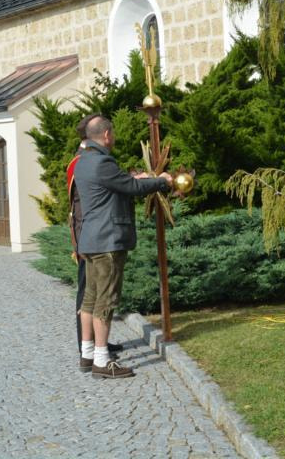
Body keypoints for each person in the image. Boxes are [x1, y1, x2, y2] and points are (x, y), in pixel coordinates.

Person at [75, 115, 172, 378]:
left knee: (90, 299)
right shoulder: (103, 162)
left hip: (91, 240)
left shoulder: (83, 161)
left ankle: (87, 354)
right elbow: (131, 187)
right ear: (107, 135)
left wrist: (135, 178)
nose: (114, 137)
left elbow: (116, 185)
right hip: (108, 240)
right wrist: (163, 180)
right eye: (113, 133)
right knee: (105, 301)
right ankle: (102, 361)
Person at [67, 113, 124, 360]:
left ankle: (95, 346)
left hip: (89, 234)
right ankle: (88, 347)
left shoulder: (85, 159)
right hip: (90, 235)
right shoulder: (81, 162)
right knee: (89, 293)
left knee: (93, 293)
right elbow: (79, 207)